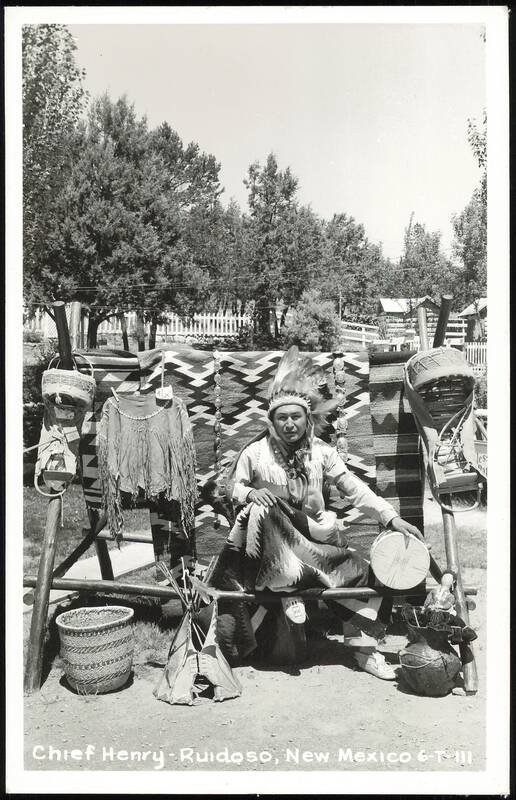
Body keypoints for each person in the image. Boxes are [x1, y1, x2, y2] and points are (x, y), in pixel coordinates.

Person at [210, 347, 424, 680]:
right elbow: (231, 489)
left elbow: (353, 487)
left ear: (307, 418)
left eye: (296, 416)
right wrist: (252, 492)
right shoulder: (256, 452)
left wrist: (389, 516)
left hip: (315, 546)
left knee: (365, 577)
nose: (290, 424)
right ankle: (285, 587)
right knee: (262, 508)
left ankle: (363, 650)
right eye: (282, 418)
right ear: (272, 420)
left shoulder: (322, 453)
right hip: (272, 553)